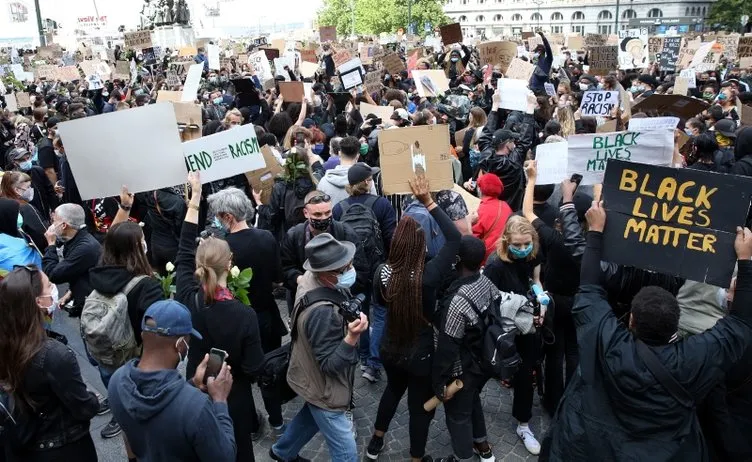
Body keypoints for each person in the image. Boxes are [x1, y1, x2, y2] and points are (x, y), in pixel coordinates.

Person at [540, 204, 752, 462]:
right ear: (675, 328)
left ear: (631, 320)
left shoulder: (603, 339)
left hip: (584, 447)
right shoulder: (694, 361)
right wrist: (745, 262)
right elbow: (740, 323)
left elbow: (589, 288)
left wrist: (595, 232)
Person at [366, 173, 462, 461]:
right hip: (419, 354)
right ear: (421, 246)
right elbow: (455, 238)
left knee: (392, 391)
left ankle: (376, 441)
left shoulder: (382, 272)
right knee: (420, 407)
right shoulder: (429, 276)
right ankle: (416, 457)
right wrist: (429, 202)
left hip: (389, 347)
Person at [175, 173, 265, 462]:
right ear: (230, 263)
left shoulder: (187, 297)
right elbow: (253, 366)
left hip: (195, 383)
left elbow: (183, 249)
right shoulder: (244, 314)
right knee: (238, 448)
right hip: (231, 392)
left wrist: (195, 202)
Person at [270, 233, 368, 462]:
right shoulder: (322, 313)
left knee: (312, 415)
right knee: (347, 453)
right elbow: (330, 366)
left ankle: (281, 453)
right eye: (345, 267)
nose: (351, 269)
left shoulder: (308, 278)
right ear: (327, 275)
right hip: (325, 388)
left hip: (308, 376)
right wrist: (352, 337)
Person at [107, 299, 238, 462]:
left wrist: (192, 384)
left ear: (143, 335)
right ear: (180, 345)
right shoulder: (196, 407)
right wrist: (220, 400)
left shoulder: (116, 381)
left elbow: (128, 433)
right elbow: (225, 458)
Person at [208, 187, 287, 436]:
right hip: (266, 315)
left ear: (227, 217)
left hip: (237, 319)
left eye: (219, 216)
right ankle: (277, 420)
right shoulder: (265, 237)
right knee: (270, 368)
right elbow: (278, 277)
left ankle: (252, 424)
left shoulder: (221, 249)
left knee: (240, 375)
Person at [0, 265, 99, 461]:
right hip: (65, 447)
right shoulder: (53, 355)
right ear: (38, 302)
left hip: (28, 442)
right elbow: (83, 407)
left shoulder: (8, 341)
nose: (54, 288)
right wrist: (93, 399)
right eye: (49, 286)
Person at [87, 221, 164, 438]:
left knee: (109, 378)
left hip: (104, 350)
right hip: (132, 353)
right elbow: (154, 329)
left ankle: (114, 403)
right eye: (141, 241)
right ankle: (125, 415)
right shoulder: (146, 285)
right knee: (133, 394)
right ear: (137, 248)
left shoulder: (99, 272)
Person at [432, 236, 506, 462]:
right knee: (472, 400)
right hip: (484, 361)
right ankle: (483, 446)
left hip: (463, 369)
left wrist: (439, 382)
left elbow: (448, 347)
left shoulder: (457, 300)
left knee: (457, 416)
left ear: (457, 260)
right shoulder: (487, 283)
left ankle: (463, 457)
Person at [483, 215, 545, 454]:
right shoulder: (495, 265)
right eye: (517, 245)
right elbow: (488, 300)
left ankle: (524, 424)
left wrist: (541, 300)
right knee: (488, 368)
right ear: (506, 241)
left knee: (525, 374)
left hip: (527, 325)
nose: (522, 249)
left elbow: (536, 280)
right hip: (503, 329)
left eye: (526, 244)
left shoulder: (533, 254)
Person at [281, 190, 368, 313]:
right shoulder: (294, 236)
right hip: (307, 301)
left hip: (343, 300)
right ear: (306, 213)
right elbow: (285, 269)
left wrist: (340, 283)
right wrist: (301, 280)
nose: (324, 218)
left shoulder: (345, 233)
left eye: (328, 212)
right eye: (317, 214)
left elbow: (361, 269)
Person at [41, 203, 101, 318]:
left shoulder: (85, 248)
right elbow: (79, 270)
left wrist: (51, 245)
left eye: (54, 221)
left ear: (64, 225)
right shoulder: (76, 239)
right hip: (84, 296)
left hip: (93, 308)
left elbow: (53, 275)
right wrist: (71, 292)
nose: (52, 225)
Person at [317, 137, 377, 206]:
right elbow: (374, 203)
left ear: (339, 153)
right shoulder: (366, 179)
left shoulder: (324, 181)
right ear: (358, 156)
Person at [0, 171, 49, 252]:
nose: (30, 190)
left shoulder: (4, 206)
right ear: (16, 190)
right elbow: (41, 235)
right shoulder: (25, 208)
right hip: (31, 254)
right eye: (28, 187)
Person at [471, 173, 512, 265]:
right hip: (505, 253)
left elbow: (473, 238)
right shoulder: (506, 205)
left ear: (480, 189)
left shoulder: (481, 209)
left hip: (487, 259)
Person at [6, 147, 57, 220]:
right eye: (22, 160)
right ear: (14, 162)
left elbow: (50, 191)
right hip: (29, 217)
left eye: (27, 158)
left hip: (45, 213)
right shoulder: (11, 179)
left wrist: (54, 210)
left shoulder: (37, 170)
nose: (26, 161)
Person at [0, 198, 42, 271]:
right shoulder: (10, 255)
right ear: (6, 217)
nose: (20, 216)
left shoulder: (16, 233)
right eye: (17, 213)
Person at [35, 117, 59, 188]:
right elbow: (49, 171)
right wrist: (56, 187)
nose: (58, 130)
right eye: (56, 128)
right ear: (49, 130)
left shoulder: (53, 140)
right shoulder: (46, 147)